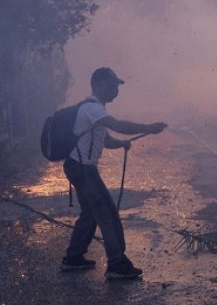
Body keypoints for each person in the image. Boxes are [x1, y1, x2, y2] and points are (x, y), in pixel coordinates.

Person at [61, 67, 167, 279]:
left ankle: (73, 258)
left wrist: (121, 144)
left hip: (79, 167)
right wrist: (149, 127)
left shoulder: (95, 109)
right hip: (82, 169)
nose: (115, 90)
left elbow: (105, 139)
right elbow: (118, 125)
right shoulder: (92, 108)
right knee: (107, 213)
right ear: (100, 84)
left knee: (91, 213)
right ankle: (117, 264)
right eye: (112, 85)